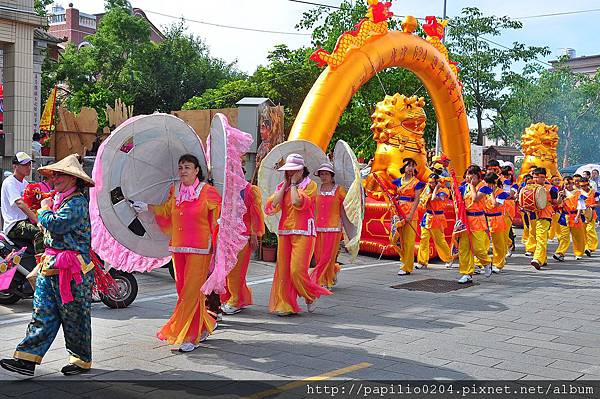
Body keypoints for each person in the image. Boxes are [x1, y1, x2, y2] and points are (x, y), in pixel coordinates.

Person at [0, 154, 95, 376]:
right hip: (50, 265)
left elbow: (57, 224)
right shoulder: (59, 198)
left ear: (74, 179)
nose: (56, 178)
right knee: (42, 311)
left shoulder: (77, 202)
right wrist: (46, 207)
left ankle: (81, 359)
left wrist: (43, 209)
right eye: (55, 174)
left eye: (61, 174)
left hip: (73, 271)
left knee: (75, 316)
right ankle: (25, 359)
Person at [131, 154, 221, 352]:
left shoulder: (208, 192)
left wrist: (219, 245)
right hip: (178, 247)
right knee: (183, 291)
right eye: (180, 168)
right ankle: (204, 325)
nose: (183, 171)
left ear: (197, 170)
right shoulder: (175, 191)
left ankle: (190, 336)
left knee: (190, 292)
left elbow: (219, 219)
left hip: (200, 249)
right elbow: (166, 211)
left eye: (187, 167)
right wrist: (146, 207)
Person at [265, 154, 331, 315]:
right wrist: (286, 185)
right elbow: (273, 205)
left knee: (297, 270)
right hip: (285, 232)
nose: (289, 173)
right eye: (288, 171)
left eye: (293, 170)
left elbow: (296, 202)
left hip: (304, 233)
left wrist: (293, 184)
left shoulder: (311, 186)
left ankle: (310, 295)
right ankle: (285, 304)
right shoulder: (283, 186)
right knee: (284, 271)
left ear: (301, 171)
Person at [220, 180, 265, 315]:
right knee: (225, 270)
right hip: (225, 235)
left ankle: (236, 300)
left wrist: (254, 234)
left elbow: (255, 215)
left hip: (243, 236)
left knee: (237, 271)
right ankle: (234, 297)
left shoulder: (249, 190)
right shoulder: (222, 187)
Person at [310, 162, 347, 290]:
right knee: (319, 255)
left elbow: (346, 207)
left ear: (332, 176)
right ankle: (330, 274)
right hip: (318, 226)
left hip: (334, 227)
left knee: (328, 255)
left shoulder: (339, 190)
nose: (323, 176)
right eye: (321, 174)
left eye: (326, 174)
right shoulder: (316, 190)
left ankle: (323, 280)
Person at [0, 152, 44, 253]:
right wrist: (37, 221)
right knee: (39, 233)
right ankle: (42, 265)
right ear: (15, 166)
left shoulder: (26, 184)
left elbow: (33, 204)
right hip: (14, 225)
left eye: (29, 164)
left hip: (25, 222)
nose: (28, 167)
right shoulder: (9, 182)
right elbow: (20, 203)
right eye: (25, 164)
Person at [457, 165, 492, 284]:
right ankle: (467, 273)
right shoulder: (464, 187)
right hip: (466, 219)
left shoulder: (484, 187)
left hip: (477, 219)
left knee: (478, 248)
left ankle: (486, 262)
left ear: (478, 176)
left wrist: (472, 185)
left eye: (473, 175)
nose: (469, 177)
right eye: (468, 174)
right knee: (464, 247)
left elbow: (476, 198)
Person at [392, 158, 425, 276]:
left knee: (409, 242)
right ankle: (404, 260)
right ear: (404, 167)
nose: (411, 168)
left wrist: (410, 214)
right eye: (409, 166)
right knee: (397, 239)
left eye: (413, 166)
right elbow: (397, 196)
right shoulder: (398, 181)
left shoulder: (416, 183)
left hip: (410, 212)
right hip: (399, 212)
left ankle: (407, 266)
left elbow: (417, 199)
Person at [416, 173, 452, 269]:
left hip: (437, 217)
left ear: (437, 182)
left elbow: (433, 198)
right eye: (429, 182)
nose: (430, 184)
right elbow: (422, 199)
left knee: (439, 240)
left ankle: (448, 258)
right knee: (424, 239)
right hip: (427, 216)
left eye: (432, 182)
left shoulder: (443, 190)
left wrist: (436, 188)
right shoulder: (427, 188)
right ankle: (422, 261)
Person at [530, 168, 558, 270]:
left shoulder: (551, 188)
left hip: (545, 214)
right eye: (535, 177)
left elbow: (556, 202)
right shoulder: (529, 187)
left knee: (541, 237)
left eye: (540, 177)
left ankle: (538, 259)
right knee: (538, 237)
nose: (537, 179)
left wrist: (559, 199)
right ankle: (544, 258)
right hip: (533, 214)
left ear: (545, 177)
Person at [553, 176, 586, 261]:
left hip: (575, 216)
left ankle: (578, 253)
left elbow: (580, 206)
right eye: (566, 184)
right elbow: (558, 203)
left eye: (570, 183)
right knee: (564, 236)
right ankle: (560, 253)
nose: (569, 185)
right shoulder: (562, 192)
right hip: (564, 216)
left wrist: (578, 217)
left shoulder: (579, 193)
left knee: (577, 236)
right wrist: (560, 196)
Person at [482, 172, 509, 273]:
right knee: (483, 242)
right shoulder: (484, 191)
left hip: (497, 219)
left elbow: (495, 204)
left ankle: (499, 264)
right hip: (484, 218)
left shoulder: (502, 193)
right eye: (486, 183)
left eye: (490, 183)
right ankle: (481, 263)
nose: (488, 186)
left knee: (498, 244)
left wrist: (492, 193)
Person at [579, 177, 599, 256]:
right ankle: (586, 248)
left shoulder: (595, 193)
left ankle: (591, 247)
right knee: (583, 232)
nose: (584, 187)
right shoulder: (579, 193)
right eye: (582, 186)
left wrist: (591, 205)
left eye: (585, 185)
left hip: (591, 213)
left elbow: (598, 203)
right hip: (582, 214)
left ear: (588, 184)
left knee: (590, 230)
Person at [548, 176, 562, 242]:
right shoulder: (552, 188)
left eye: (558, 180)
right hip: (554, 208)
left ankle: (559, 237)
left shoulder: (557, 188)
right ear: (552, 181)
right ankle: (550, 237)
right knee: (553, 224)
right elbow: (554, 200)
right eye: (555, 180)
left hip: (557, 208)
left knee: (557, 223)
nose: (557, 181)